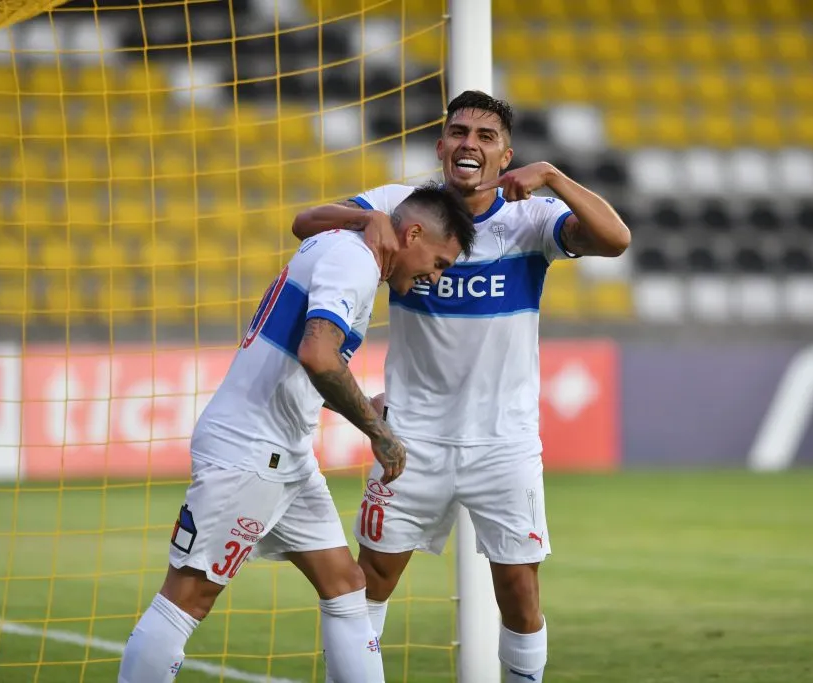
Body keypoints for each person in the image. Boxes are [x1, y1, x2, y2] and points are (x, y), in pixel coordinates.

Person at [291, 90, 631, 682]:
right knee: (369, 584)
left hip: (505, 444)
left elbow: (615, 238)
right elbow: (304, 223)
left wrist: (552, 176)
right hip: (410, 440)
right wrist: (366, 218)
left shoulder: (531, 220)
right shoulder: (400, 205)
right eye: (458, 132)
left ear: (506, 156)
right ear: (441, 145)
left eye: (485, 136)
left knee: (519, 591)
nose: (468, 143)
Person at [118, 184, 475, 683]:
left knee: (347, 585)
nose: (433, 277)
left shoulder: (339, 245)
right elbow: (317, 355)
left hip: (284, 453)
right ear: (412, 233)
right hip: (250, 452)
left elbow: (301, 360)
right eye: (437, 261)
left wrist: (361, 401)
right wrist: (379, 432)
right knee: (188, 596)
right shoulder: (355, 262)